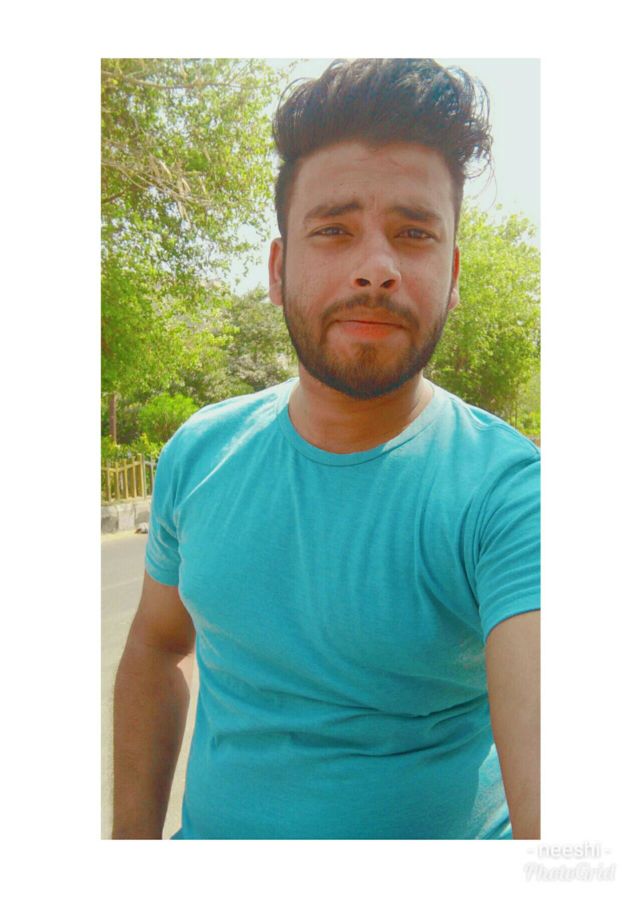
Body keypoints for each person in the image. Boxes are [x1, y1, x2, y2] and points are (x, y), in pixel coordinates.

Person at [112, 58, 540, 840]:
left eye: (414, 234)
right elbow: (154, 643)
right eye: (334, 230)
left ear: (452, 275)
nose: (376, 269)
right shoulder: (198, 454)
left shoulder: (513, 499)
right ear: (279, 270)